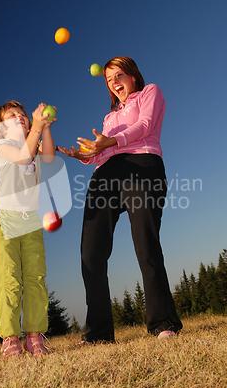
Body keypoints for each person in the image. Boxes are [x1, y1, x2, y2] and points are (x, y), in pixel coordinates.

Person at [57, 56, 182, 343]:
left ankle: (163, 323)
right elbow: (100, 154)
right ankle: (99, 334)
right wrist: (84, 155)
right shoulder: (109, 117)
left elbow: (145, 125)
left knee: (145, 243)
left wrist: (111, 142)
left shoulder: (150, 92)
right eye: (109, 79)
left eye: (119, 75)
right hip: (105, 175)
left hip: (142, 166)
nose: (114, 82)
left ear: (133, 77)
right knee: (91, 253)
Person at [0, 100, 56, 357]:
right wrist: (36, 126)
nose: (20, 117)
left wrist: (44, 127)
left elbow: (48, 156)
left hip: (29, 219)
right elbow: (23, 156)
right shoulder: (3, 145)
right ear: (2, 129)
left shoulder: (31, 144)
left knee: (36, 277)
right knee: (9, 277)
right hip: (3, 218)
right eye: (12, 115)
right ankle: (10, 338)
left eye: (23, 114)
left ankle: (34, 337)